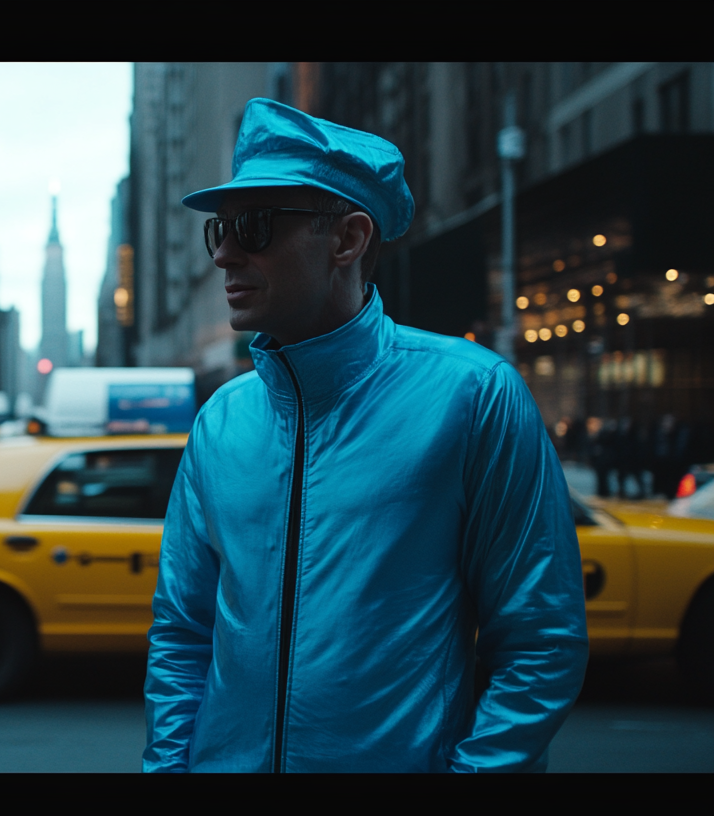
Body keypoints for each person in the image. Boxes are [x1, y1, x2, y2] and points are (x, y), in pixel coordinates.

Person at [143, 99, 587, 773]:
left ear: (347, 240)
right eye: (220, 230)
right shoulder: (222, 420)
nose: (226, 253)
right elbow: (183, 633)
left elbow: (540, 639)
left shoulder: (472, 396)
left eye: (255, 227)